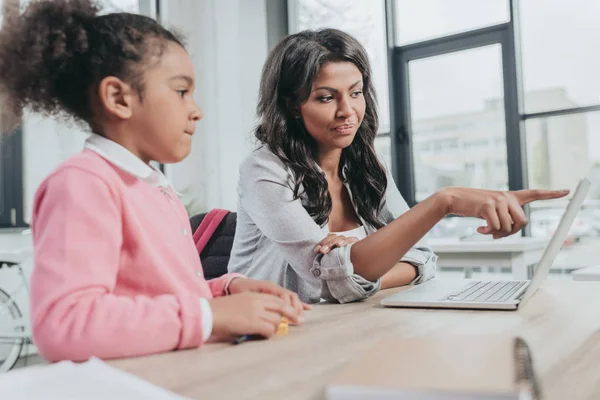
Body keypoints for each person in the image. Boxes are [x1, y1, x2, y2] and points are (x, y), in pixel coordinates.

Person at [0, 0, 308, 362]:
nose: (197, 110)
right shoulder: (82, 184)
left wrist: (227, 292)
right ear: (119, 98)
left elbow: (154, 298)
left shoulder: (154, 189)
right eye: (181, 91)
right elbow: (64, 325)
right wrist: (210, 316)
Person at [227, 29, 569, 304]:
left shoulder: (365, 167)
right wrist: (444, 201)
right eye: (326, 98)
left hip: (343, 325)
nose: (348, 110)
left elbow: (422, 258)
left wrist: (357, 273)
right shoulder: (264, 170)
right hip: (270, 334)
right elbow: (326, 282)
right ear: (292, 105)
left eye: (356, 92)